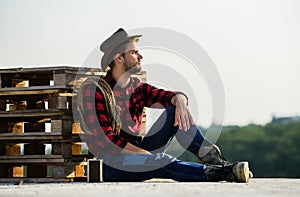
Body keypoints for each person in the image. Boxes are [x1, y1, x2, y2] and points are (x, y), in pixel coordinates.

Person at [80, 28, 252, 182]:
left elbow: (167, 96)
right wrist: (146, 156)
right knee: (162, 161)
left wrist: (180, 101)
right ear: (119, 58)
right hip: (113, 162)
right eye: (134, 52)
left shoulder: (136, 87)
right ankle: (222, 173)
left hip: (139, 150)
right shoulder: (96, 91)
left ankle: (213, 159)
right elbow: (107, 141)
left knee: (174, 109)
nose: (140, 56)